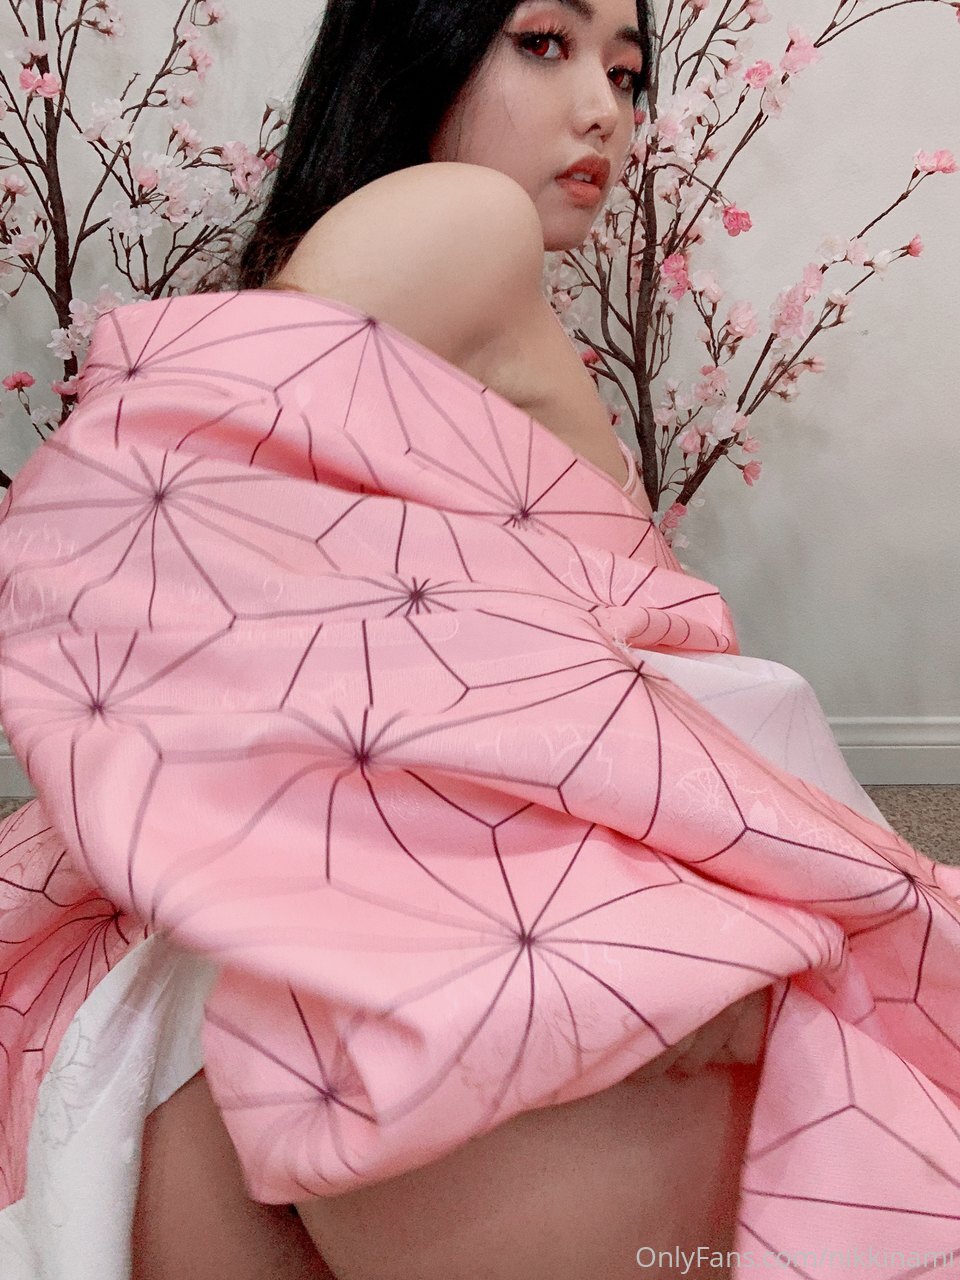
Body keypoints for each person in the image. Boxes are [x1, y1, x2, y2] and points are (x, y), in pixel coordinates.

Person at [2, 2, 956, 1279]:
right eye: (545, 44)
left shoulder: (471, 301)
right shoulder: (468, 217)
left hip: (315, 991)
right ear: (419, 45)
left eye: (626, 71)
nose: (605, 110)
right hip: (456, 958)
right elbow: (164, 486)